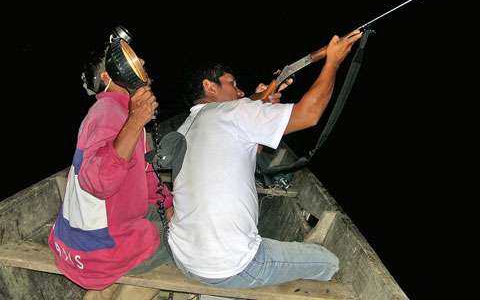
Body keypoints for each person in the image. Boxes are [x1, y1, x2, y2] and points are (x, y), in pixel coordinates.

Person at [167, 32, 362, 289]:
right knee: (330, 262)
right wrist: (333, 62)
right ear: (210, 87)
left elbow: (243, 152)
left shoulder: (185, 127)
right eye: (232, 84)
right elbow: (309, 114)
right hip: (233, 264)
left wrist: (261, 105)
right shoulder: (236, 111)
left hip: (184, 256)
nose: (240, 92)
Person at [48, 39, 174, 299]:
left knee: (165, 220)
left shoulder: (119, 111)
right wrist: (136, 120)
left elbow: (145, 176)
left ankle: (102, 292)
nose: (141, 62)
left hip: (83, 242)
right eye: (128, 60)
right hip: (96, 251)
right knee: (182, 242)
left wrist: (169, 203)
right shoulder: (108, 113)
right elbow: (98, 182)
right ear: (109, 76)